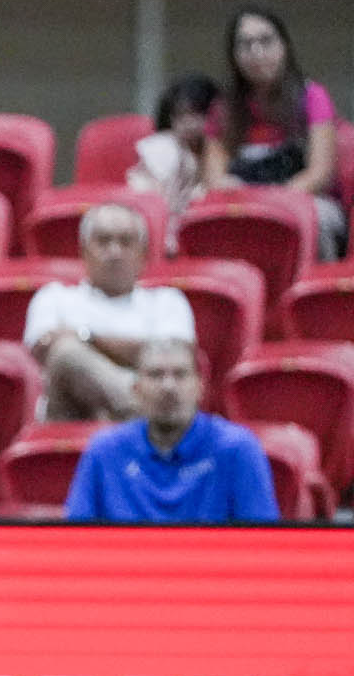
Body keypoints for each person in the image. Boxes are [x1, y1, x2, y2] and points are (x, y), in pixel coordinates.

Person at [64, 337, 278, 523]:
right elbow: (74, 543)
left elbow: (262, 544)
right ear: (136, 390)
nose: (168, 387)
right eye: (156, 375)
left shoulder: (237, 449)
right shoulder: (104, 452)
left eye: (180, 374)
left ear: (200, 387)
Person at [23, 204, 195, 421]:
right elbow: (46, 352)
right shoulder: (54, 297)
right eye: (103, 241)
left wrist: (87, 337)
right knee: (65, 353)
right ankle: (149, 414)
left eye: (125, 242)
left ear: (143, 254)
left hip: (141, 407)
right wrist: (133, 353)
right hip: (70, 418)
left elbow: (175, 357)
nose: (115, 252)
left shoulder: (167, 301)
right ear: (84, 251)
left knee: (167, 374)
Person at [204, 5, 347, 260]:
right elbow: (215, 177)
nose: (256, 53)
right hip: (243, 201)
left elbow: (320, 174)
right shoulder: (224, 107)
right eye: (245, 45)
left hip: (302, 198)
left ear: (284, 46)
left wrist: (274, 202)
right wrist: (246, 199)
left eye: (266, 41)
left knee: (320, 218)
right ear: (234, 55)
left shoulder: (312, 96)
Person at [128, 72, 220, 241]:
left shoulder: (218, 150)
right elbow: (160, 205)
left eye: (195, 114)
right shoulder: (161, 148)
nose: (188, 124)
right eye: (180, 115)